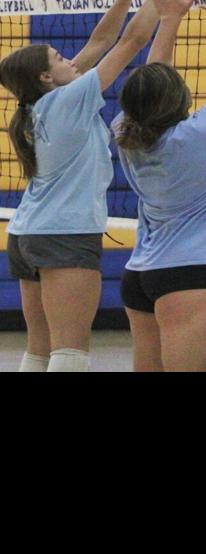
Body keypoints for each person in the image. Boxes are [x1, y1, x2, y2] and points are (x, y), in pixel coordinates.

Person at [0, 0, 160, 372]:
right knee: (70, 351)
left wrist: (125, 2)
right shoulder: (70, 99)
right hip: (65, 234)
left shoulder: (40, 104)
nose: (69, 60)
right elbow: (132, 41)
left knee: (40, 349)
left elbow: (101, 40)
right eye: (59, 57)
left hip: (27, 235)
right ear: (45, 76)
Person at [111, 0, 206, 371]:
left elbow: (153, 84)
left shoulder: (126, 131)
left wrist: (170, 18)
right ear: (178, 95)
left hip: (142, 274)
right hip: (195, 276)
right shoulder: (203, 133)